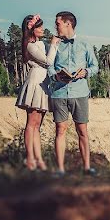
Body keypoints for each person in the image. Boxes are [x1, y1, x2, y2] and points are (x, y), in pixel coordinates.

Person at [48, 11, 99, 176]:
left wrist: (86, 72)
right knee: (60, 130)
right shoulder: (54, 44)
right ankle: (60, 170)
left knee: (82, 130)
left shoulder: (84, 44)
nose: (56, 26)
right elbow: (48, 65)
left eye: (58, 23)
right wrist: (54, 75)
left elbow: (95, 66)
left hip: (79, 92)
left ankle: (86, 168)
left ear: (68, 24)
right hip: (59, 92)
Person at [15, 14, 60, 170]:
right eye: (39, 26)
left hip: (43, 82)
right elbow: (48, 61)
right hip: (35, 82)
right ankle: (30, 159)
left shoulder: (39, 43)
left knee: (37, 125)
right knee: (32, 124)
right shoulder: (30, 45)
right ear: (31, 29)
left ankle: (38, 159)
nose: (42, 29)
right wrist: (53, 44)